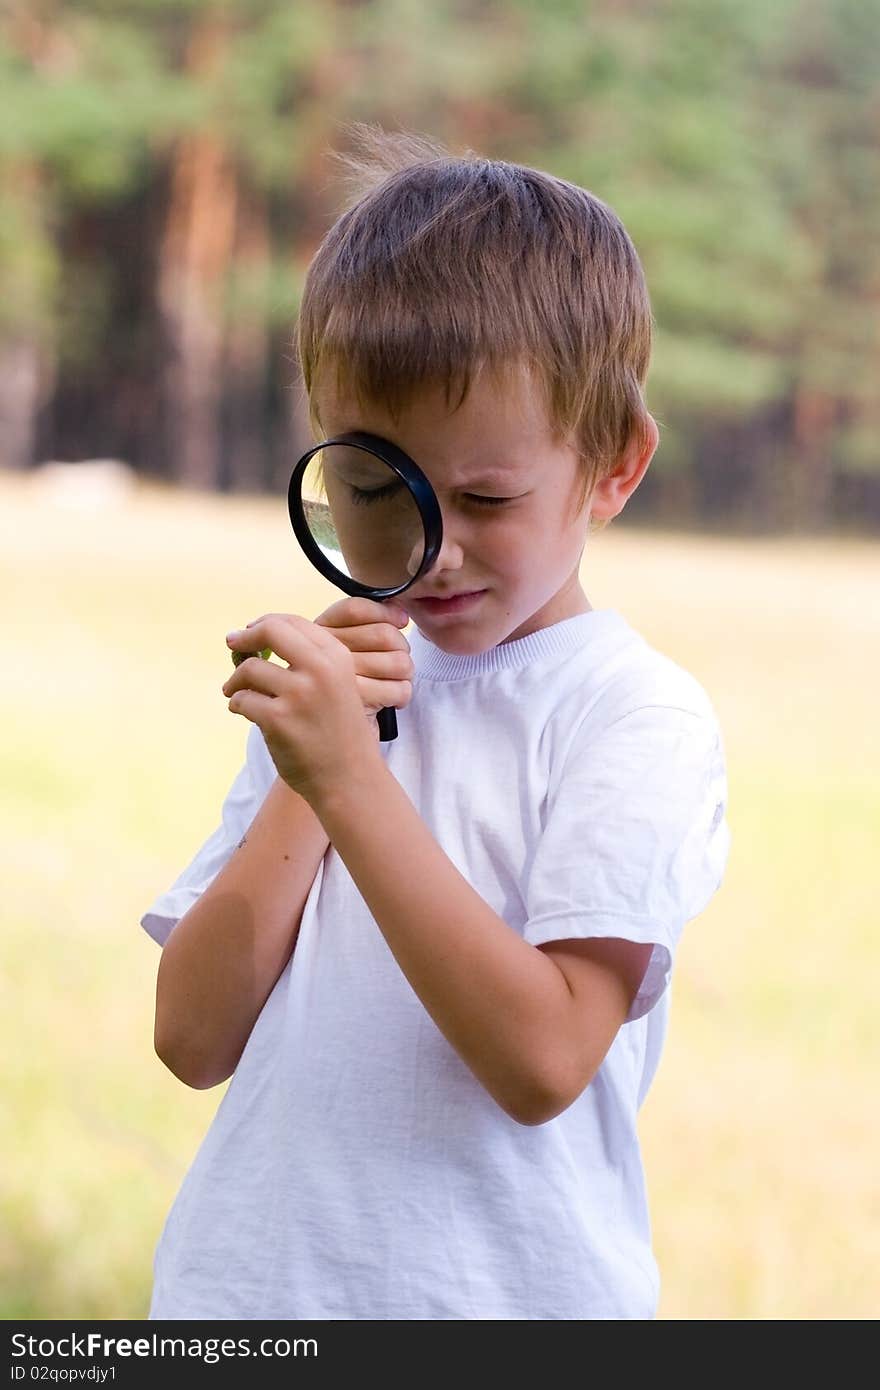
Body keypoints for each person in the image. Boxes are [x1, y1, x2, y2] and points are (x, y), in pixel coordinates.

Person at [140, 125, 730, 1320]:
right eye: (371, 492)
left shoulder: (631, 715)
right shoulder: (335, 700)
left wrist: (354, 783)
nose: (430, 548)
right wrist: (308, 778)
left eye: (486, 498)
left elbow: (544, 1059)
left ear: (612, 468)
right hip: (245, 1302)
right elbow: (194, 1038)